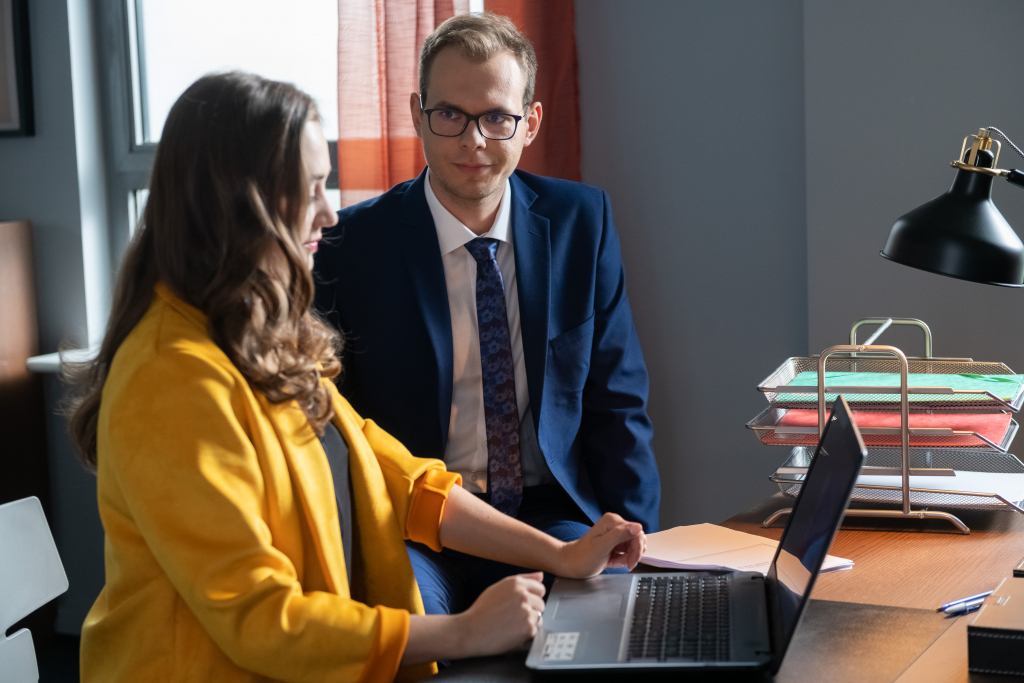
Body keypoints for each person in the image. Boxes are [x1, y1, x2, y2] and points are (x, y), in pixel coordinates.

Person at [67, 71, 644, 683]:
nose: (328, 211)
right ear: (241, 202)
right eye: (309, 188)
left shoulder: (257, 334)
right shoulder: (172, 377)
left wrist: (558, 553)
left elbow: (398, 479)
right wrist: (466, 631)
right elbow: (261, 621)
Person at [313, 11, 661, 620]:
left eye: (497, 118)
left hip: (546, 509)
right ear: (418, 113)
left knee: (598, 630)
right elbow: (335, 429)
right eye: (450, 115)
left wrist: (641, 546)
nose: (473, 141)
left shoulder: (582, 222)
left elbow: (617, 403)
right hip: (417, 525)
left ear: (530, 124)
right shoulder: (351, 247)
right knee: (413, 628)